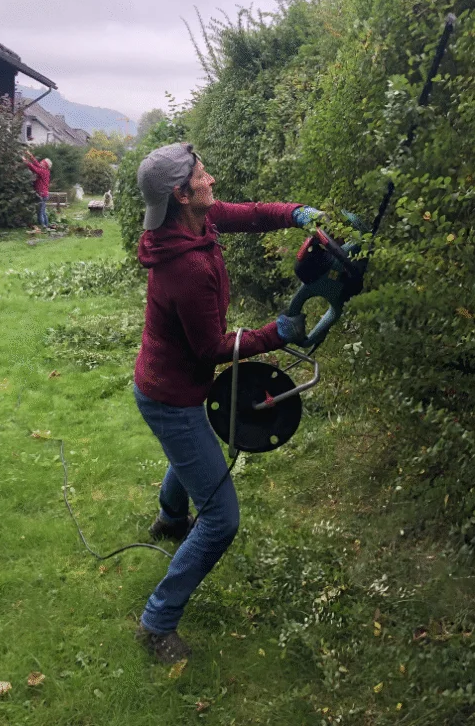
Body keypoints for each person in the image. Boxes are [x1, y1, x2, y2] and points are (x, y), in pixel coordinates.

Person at [132, 141, 325, 663]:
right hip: (170, 395)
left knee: (194, 448)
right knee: (221, 519)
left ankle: (170, 518)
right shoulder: (186, 270)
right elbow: (213, 350)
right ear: (180, 193)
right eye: (201, 175)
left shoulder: (195, 222)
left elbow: (252, 214)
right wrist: (275, 334)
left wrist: (296, 214)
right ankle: (157, 622)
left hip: (170, 386)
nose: (211, 179)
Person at [23, 150, 52, 227]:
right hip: (44, 194)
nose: (40, 163)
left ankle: (43, 227)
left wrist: (25, 160)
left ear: (45, 165)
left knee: (40, 213)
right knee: (43, 212)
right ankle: (46, 226)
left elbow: (33, 168)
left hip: (41, 194)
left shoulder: (43, 171)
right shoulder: (46, 171)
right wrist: (30, 155)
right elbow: (36, 164)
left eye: (42, 163)